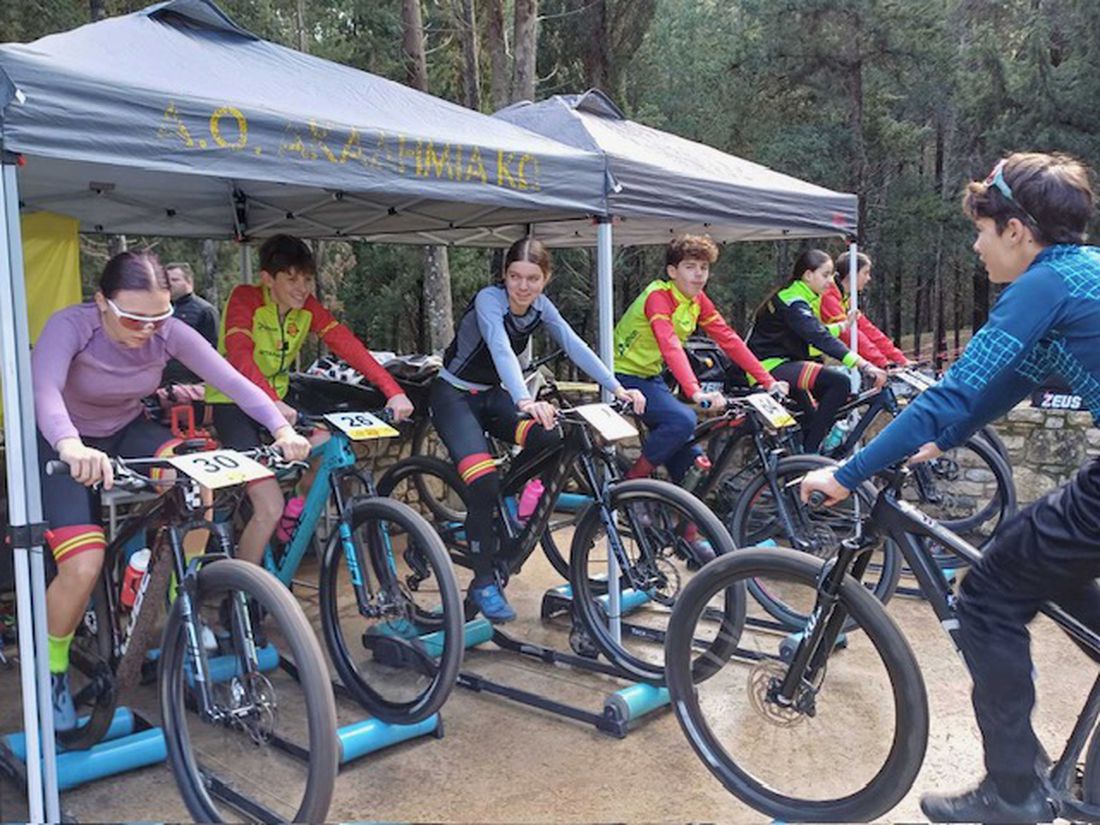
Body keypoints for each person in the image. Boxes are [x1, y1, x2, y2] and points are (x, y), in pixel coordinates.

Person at [801, 151, 1098, 823]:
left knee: (987, 595)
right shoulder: (1084, 273)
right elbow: (1012, 378)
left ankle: (1013, 791)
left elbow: (953, 392)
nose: (976, 245)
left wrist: (846, 474)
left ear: (1016, 230)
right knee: (1033, 554)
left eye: (983, 230)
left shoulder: (1044, 284)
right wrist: (946, 435)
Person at [32, 250, 310, 731]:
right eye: (133, 318)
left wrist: (280, 428)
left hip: (125, 429)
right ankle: (52, 669)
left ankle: (177, 600)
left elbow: (229, 378)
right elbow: (45, 392)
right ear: (101, 302)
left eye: (158, 317)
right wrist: (70, 444)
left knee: (199, 485)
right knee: (83, 564)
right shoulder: (71, 326)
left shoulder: (168, 330)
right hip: (62, 441)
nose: (147, 329)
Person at [431, 237, 645, 623]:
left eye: (532, 278)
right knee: (482, 482)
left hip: (491, 396)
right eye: (515, 276)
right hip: (454, 397)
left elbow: (574, 345)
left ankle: (507, 499)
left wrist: (617, 388)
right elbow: (499, 347)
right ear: (504, 275)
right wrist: (524, 401)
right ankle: (483, 581)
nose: (523, 286)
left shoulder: (541, 307)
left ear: (546, 278)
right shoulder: (489, 300)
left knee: (551, 437)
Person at [206, 234, 414, 566]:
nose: (302, 288)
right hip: (234, 403)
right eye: (291, 279)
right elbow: (240, 356)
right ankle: (244, 589)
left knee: (326, 443)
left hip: (279, 401)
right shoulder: (246, 298)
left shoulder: (306, 308)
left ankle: (295, 511)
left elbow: (347, 345)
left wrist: (393, 390)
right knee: (268, 507)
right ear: (267, 279)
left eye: (306, 279)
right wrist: (270, 402)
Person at [613, 234, 787, 560]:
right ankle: (630, 486)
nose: (698, 274)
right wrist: (694, 390)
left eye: (704, 268)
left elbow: (729, 339)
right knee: (683, 419)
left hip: (651, 376)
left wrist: (767, 380)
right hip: (622, 375)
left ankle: (688, 539)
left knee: (696, 464)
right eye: (690, 267)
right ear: (672, 271)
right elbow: (670, 345)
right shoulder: (659, 297)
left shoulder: (696, 301)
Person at [746, 249, 887, 451]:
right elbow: (817, 336)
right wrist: (863, 364)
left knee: (816, 417)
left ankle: (800, 455)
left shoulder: (804, 296)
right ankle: (809, 457)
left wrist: (843, 326)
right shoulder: (793, 300)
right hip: (769, 366)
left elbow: (812, 332)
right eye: (825, 275)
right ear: (808, 275)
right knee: (839, 383)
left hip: (784, 363)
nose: (830, 281)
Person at [819, 251, 910, 369]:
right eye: (865, 273)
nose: (868, 278)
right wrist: (882, 362)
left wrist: (899, 359)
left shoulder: (843, 296)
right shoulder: (829, 296)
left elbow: (867, 329)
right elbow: (849, 334)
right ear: (851, 274)